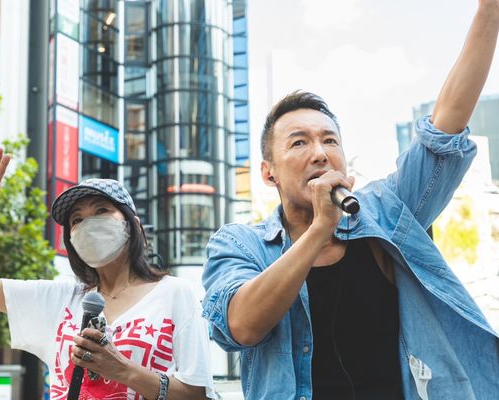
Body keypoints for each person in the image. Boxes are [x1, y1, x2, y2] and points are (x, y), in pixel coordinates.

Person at [202, 2, 499, 399]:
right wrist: (319, 229)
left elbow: (444, 129)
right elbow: (241, 326)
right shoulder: (240, 244)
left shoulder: (385, 211)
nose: (320, 153)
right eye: (299, 142)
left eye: (330, 140)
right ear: (268, 172)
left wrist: (489, 13)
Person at [0, 156, 215, 400]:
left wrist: (122, 370)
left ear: (132, 224)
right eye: (77, 219)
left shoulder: (177, 294)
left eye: (101, 210)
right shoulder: (61, 299)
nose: (88, 224)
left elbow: (197, 394)